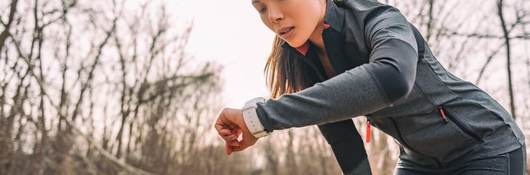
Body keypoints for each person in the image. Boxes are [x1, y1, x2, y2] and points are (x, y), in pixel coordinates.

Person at [214, 0, 527, 174]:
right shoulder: (303, 60)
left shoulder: (379, 20)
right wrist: (257, 123)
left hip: (484, 145)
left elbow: (392, 80)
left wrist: (260, 119)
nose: (274, 16)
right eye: (261, 8)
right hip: (418, 163)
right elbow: (342, 137)